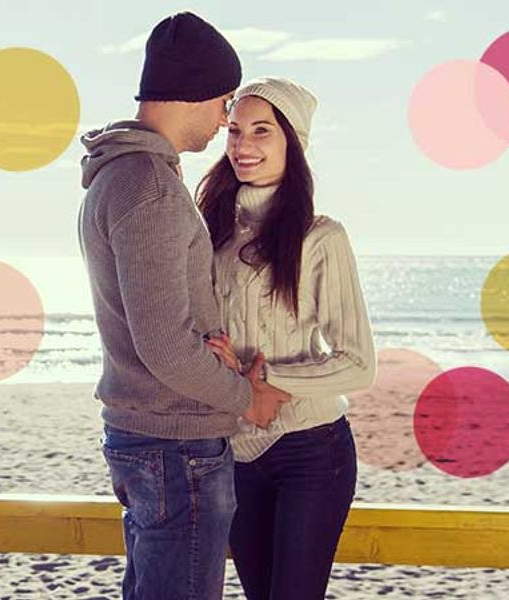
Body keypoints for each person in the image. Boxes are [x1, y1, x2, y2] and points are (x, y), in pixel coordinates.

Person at [78, 13, 292, 599]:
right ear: (196, 93)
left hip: (149, 441)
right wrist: (247, 398)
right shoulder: (148, 186)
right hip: (176, 449)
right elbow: (166, 346)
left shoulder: (121, 175)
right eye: (224, 102)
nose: (225, 120)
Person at [197, 76, 377, 600]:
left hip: (311, 451)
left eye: (261, 131)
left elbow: (358, 364)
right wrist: (224, 372)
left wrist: (266, 378)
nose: (242, 145)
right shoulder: (208, 231)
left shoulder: (321, 238)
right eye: (234, 131)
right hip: (233, 453)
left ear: (292, 141)